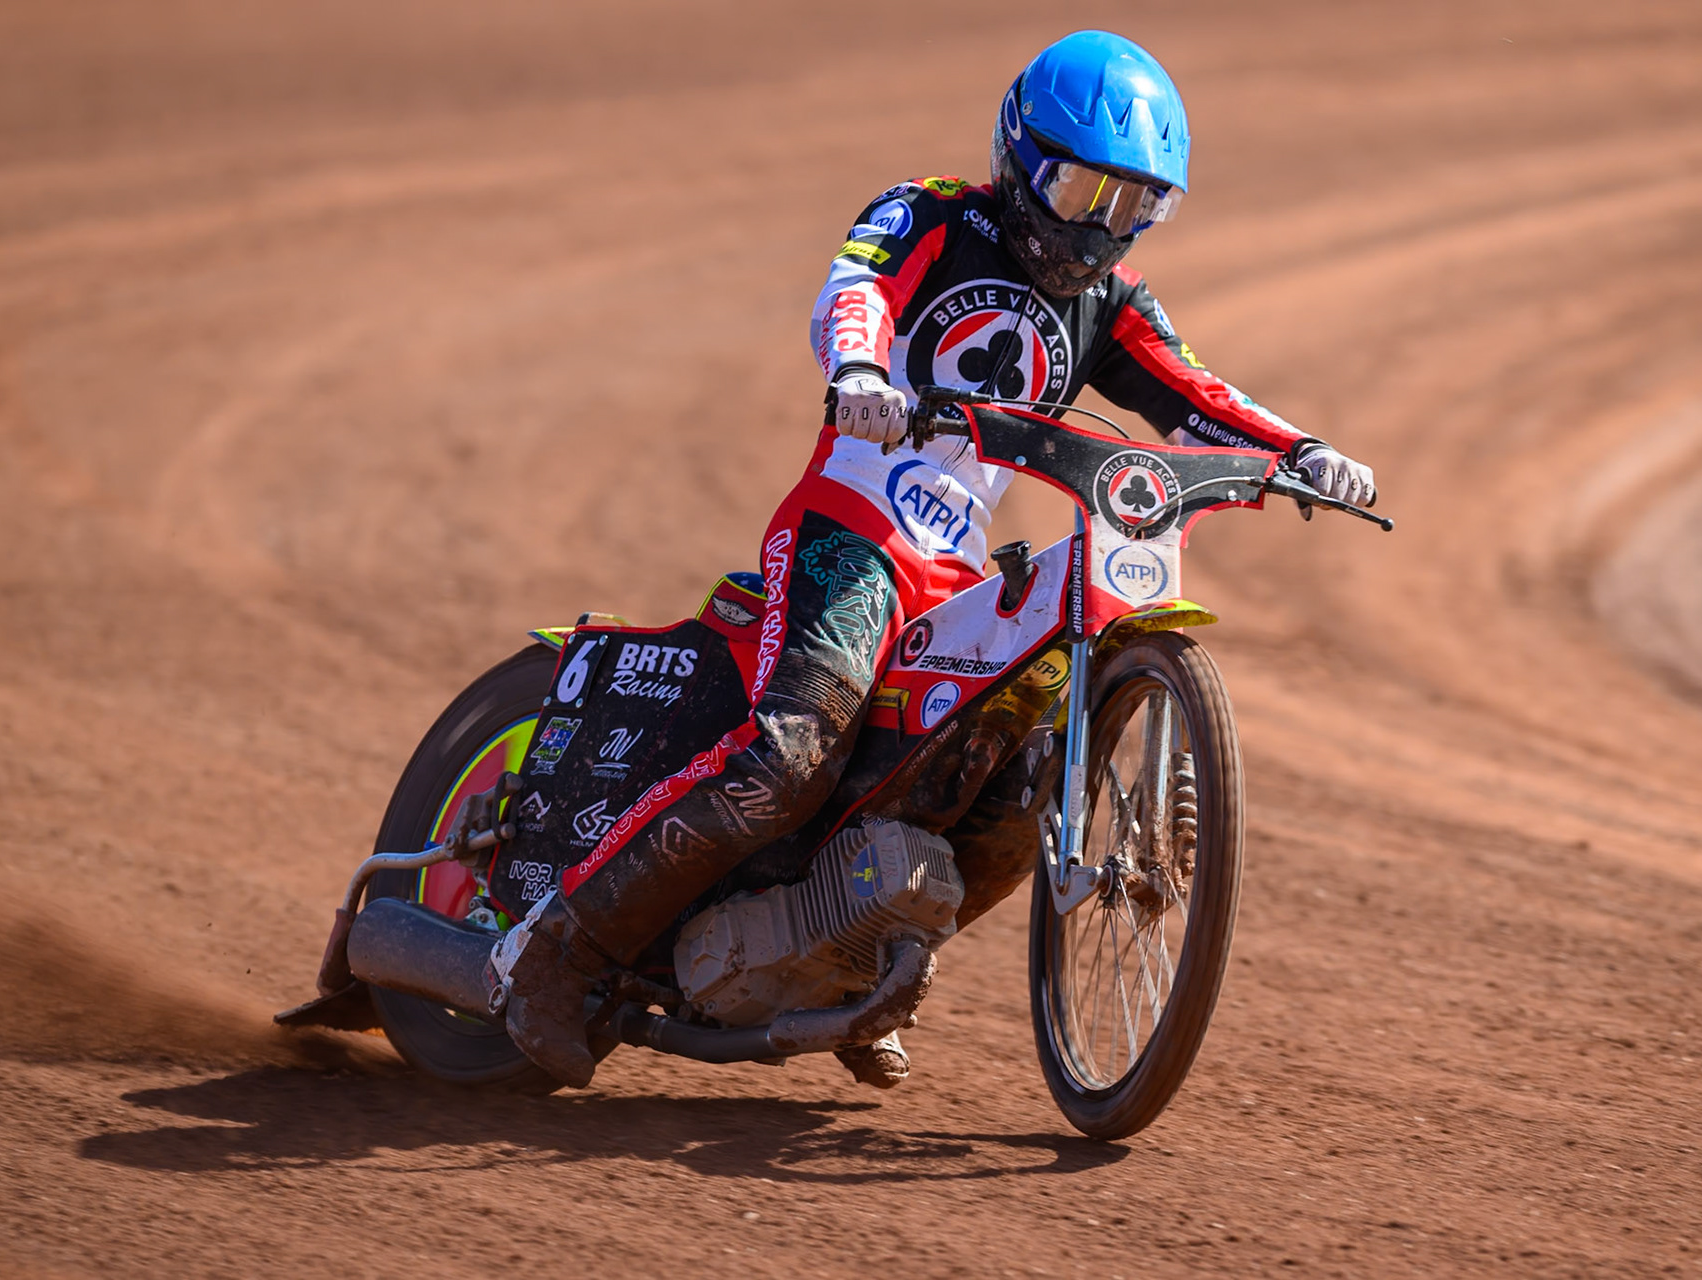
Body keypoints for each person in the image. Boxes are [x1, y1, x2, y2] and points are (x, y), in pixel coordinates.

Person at [499, 29, 1379, 1089]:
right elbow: (855, 289)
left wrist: (1301, 452)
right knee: (791, 755)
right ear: (1020, 155)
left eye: (1133, 206)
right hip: (851, 529)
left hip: (957, 574)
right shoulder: (932, 215)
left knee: (1009, 800)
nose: (1098, 228)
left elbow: (1196, 393)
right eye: (1083, 189)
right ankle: (556, 951)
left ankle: (848, 961)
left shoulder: (1112, 302)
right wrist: (860, 369)